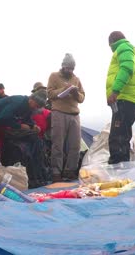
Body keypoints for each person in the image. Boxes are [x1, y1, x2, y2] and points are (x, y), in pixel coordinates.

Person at [0, 90, 49, 187]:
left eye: (38, 107)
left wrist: (33, 125)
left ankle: (33, 176)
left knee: (35, 140)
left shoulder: (29, 107)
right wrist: (19, 126)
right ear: (31, 99)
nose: (36, 108)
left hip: (3, 126)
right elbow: (2, 117)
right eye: (36, 105)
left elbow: (27, 119)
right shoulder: (18, 101)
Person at [106, 31, 135, 164]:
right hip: (128, 99)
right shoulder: (129, 48)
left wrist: (115, 91)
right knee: (123, 135)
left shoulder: (123, 47)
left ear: (112, 42)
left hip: (124, 98)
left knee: (117, 136)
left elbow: (126, 68)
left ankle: (117, 169)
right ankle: (123, 168)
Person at [47, 53, 85, 181]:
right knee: (58, 144)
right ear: (62, 66)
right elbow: (50, 94)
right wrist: (64, 89)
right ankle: (56, 172)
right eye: (67, 68)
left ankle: (70, 170)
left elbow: (82, 97)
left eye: (72, 68)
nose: (70, 71)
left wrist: (75, 93)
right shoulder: (54, 76)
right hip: (59, 113)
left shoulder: (76, 79)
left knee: (75, 145)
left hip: (74, 114)